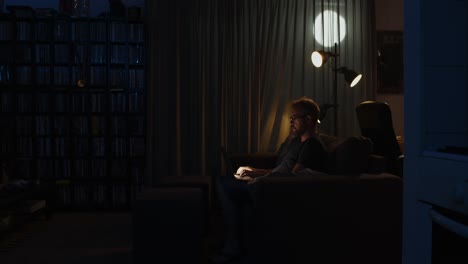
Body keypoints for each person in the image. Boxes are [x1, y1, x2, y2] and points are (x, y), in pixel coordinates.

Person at [212, 97, 327, 263]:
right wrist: (253, 172)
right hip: (269, 184)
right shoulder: (297, 142)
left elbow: (293, 179)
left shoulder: (312, 145)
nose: (291, 122)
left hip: (275, 191)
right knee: (223, 180)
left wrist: (259, 179)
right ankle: (228, 242)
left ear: (308, 119)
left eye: (294, 118)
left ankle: (232, 246)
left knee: (224, 185)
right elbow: (279, 171)